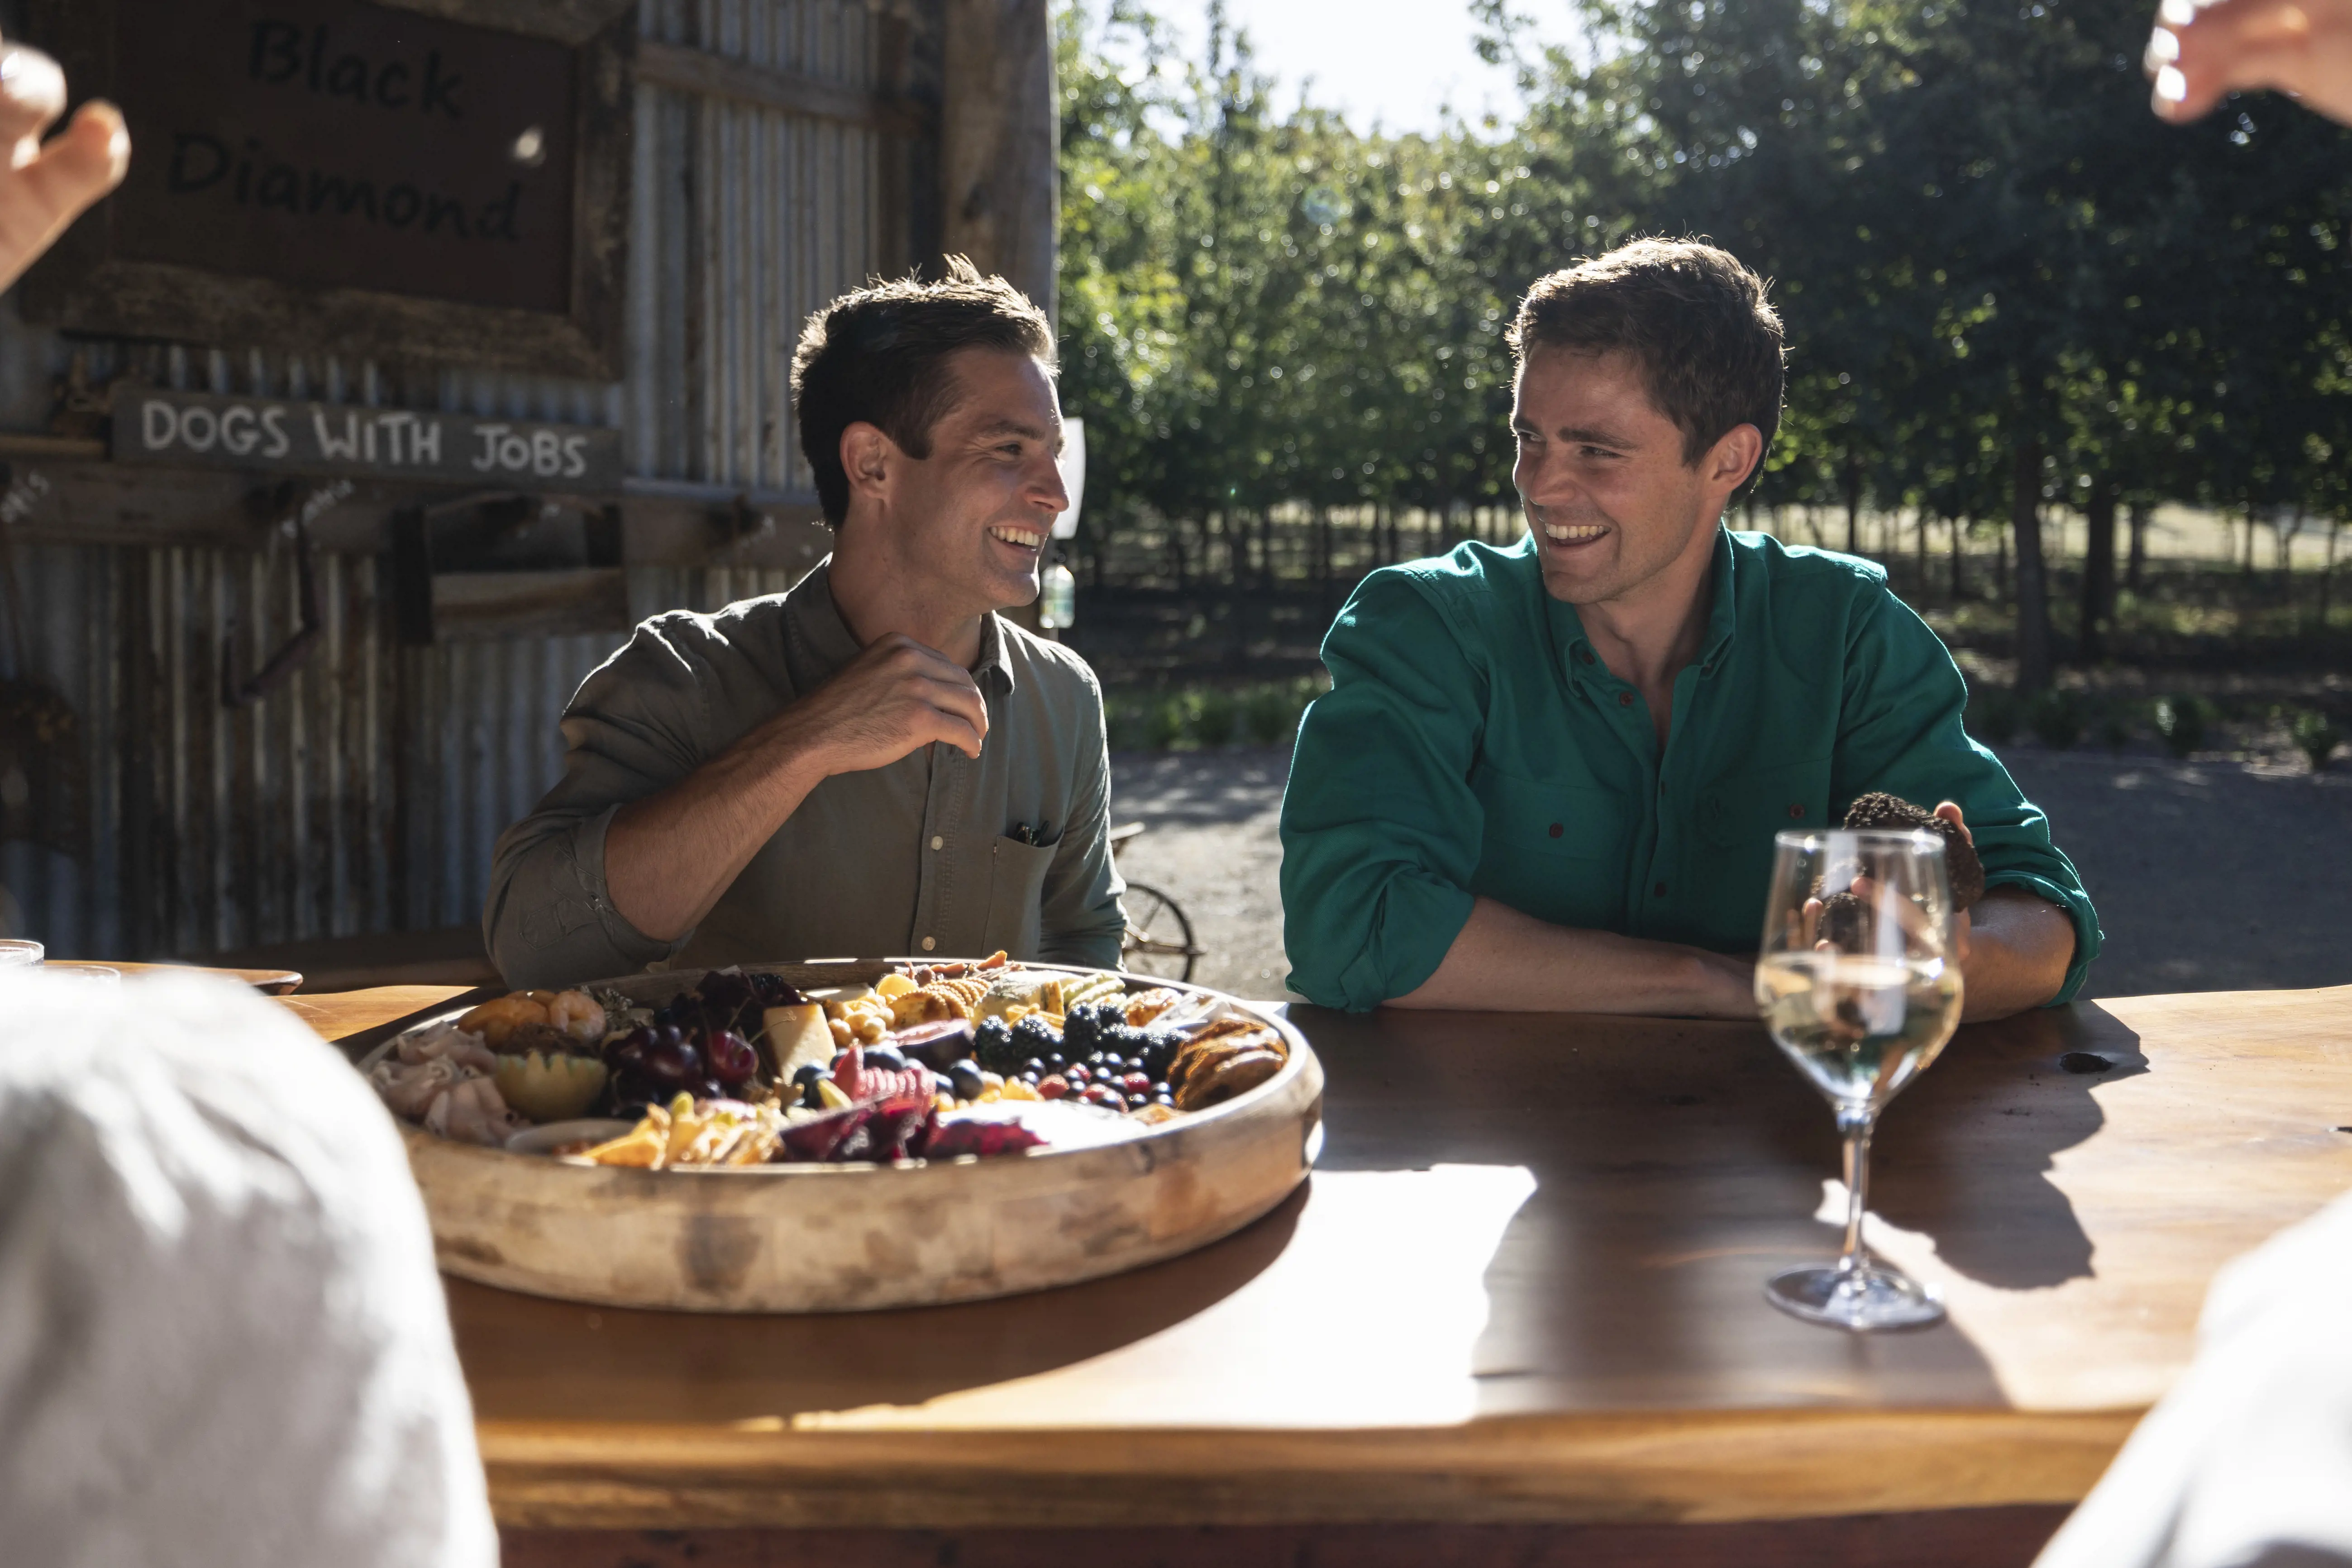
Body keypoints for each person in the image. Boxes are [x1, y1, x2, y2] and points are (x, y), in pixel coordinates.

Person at [1279, 239, 2098, 1019]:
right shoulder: (1425, 629)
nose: (1541, 485)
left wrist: (1949, 969)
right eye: (1530, 438)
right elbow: (1350, 927)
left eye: (1596, 451)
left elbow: (2038, 909)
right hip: (1470, 1143)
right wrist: (1727, 986)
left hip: (1792, 1147)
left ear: (1729, 461)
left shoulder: (1846, 634)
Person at [487, 262, 1122, 987]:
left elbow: (1084, 934)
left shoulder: (1065, 699)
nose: (1053, 495)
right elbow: (533, 950)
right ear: (874, 464)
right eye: (1009, 450)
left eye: (1053, 455)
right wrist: (809, 740)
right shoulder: (682, 675)